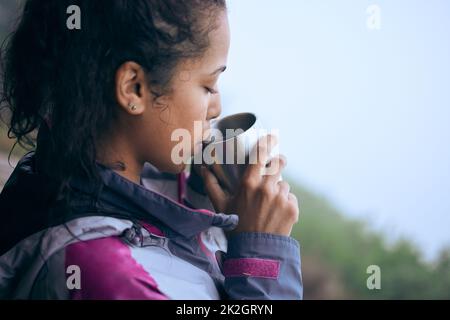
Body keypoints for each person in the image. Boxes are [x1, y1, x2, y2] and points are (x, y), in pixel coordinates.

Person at [0, 0, 302, 299]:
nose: (217, 108)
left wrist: (202, 195)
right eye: (208, 86)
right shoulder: (104, 275)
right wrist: (263, 263)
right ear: (134, 89)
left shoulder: (58, 178)